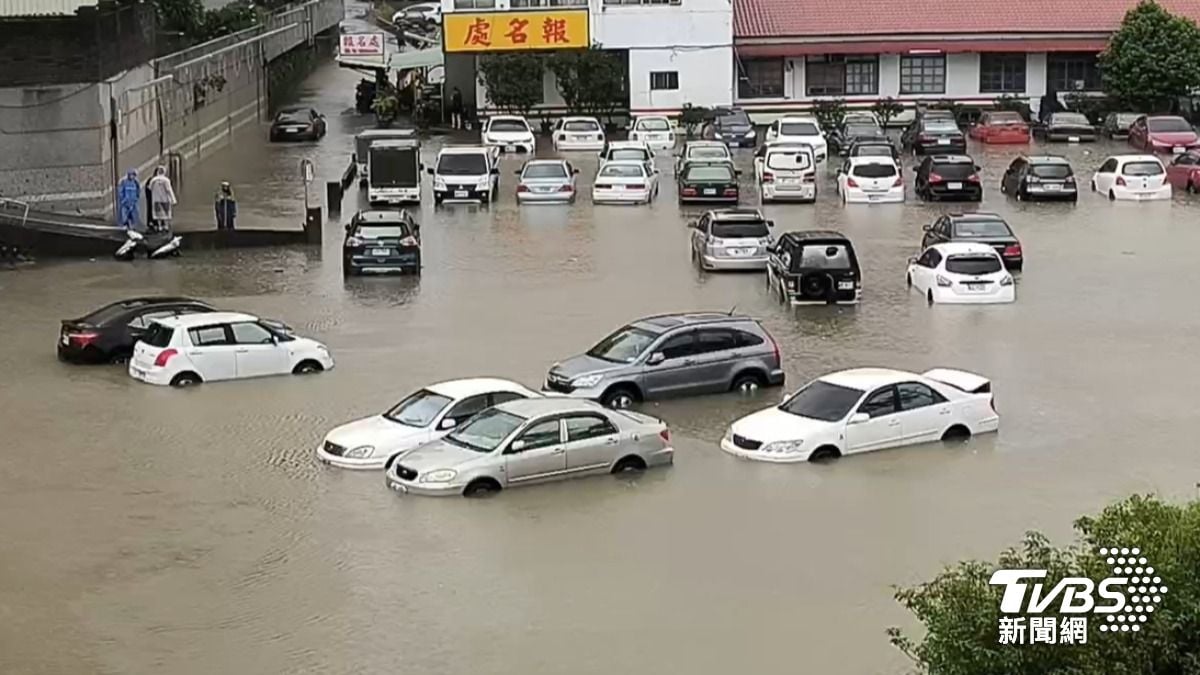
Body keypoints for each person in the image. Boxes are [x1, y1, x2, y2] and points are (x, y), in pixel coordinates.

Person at [147, 166, 177, 233]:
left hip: (156, 199)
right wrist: (173, 199)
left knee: (158, 214)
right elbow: (169, 190)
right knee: (166, 213)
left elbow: (150, 188)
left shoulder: (153, 180)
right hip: (165, 199)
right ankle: (166, 226)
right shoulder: (166, 180)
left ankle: (159, 226)